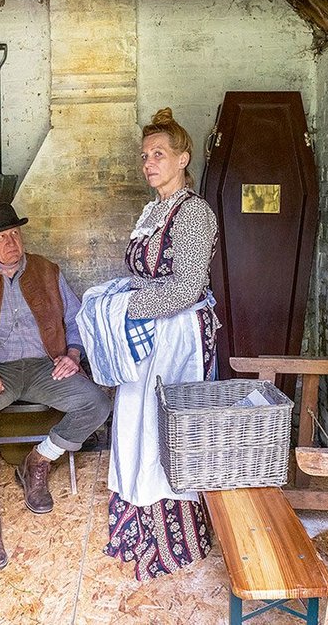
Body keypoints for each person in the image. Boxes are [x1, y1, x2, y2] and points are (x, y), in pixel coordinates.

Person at [78, 108, 219, 580]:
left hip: (178, 338)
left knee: (163, 428)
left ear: (183, 159)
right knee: (136, 421)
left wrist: (125, 308)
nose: (148, 162)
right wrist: (120, 297)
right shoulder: (155, 211)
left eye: (159, 154)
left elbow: (187, 288)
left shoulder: (194, 212)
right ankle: (139, 525)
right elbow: (147, 276)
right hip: (151, 334)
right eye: (144, 155)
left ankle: (173, 536)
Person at [0, 202, 112, 572]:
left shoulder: (47, 271)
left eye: (15, 233)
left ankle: (38, 460)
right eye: (0, 237)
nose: (11, 241)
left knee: (96, 402)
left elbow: (76, 319)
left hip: (44, 365)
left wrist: (73, 354)